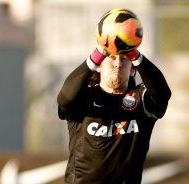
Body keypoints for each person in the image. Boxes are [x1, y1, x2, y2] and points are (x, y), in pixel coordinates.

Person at [57, 12, 171, 184]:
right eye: (111, 58)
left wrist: (134, 53)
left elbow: (163, 93)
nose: (118, 64)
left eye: (124, 60)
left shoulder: (142, 101)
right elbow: (64, 98)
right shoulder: (84, 97)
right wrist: (100, 51)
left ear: (133, 69)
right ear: (99, 66)